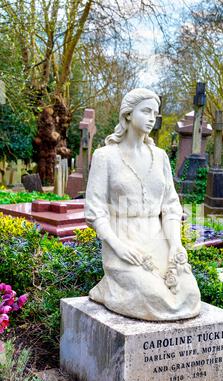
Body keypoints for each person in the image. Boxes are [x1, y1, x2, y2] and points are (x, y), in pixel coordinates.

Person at [85, 88, 201, 321]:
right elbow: (95, 211)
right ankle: (109, 286)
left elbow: (170, 206)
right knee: (156, 298)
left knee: (189, 295)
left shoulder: (159, 157)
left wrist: (176, 246)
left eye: (155, 113)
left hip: (158, 240)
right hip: (124, 240)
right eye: (145, 111)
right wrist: (118, 247)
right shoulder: (105, 156)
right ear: (128, 114)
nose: (151, 118)